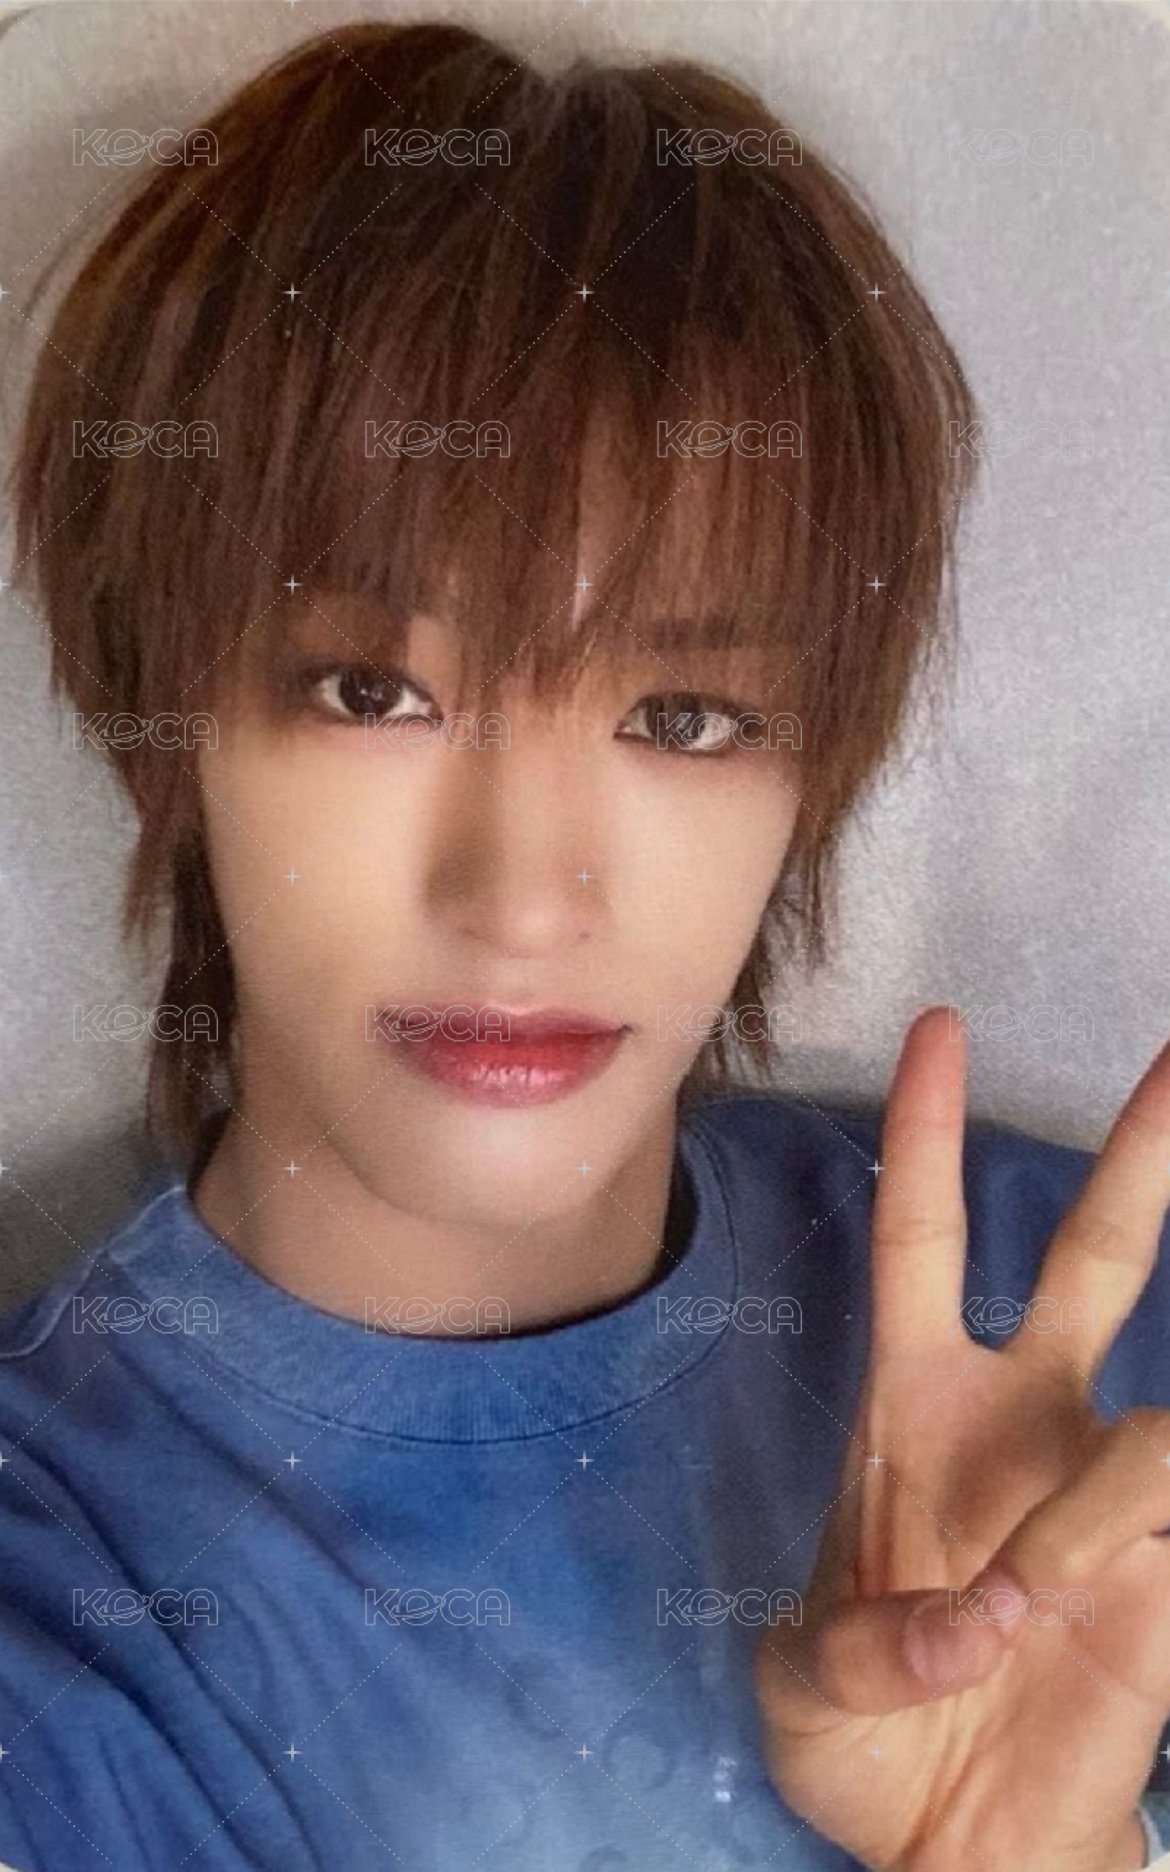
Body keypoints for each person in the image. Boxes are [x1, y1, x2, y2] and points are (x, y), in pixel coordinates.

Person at [3, 18, 1169, 1870]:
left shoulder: (1075, 1316)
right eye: (371, 689)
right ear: (168, 721)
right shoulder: (64, 1619)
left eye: (684, 716)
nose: (527, 894)